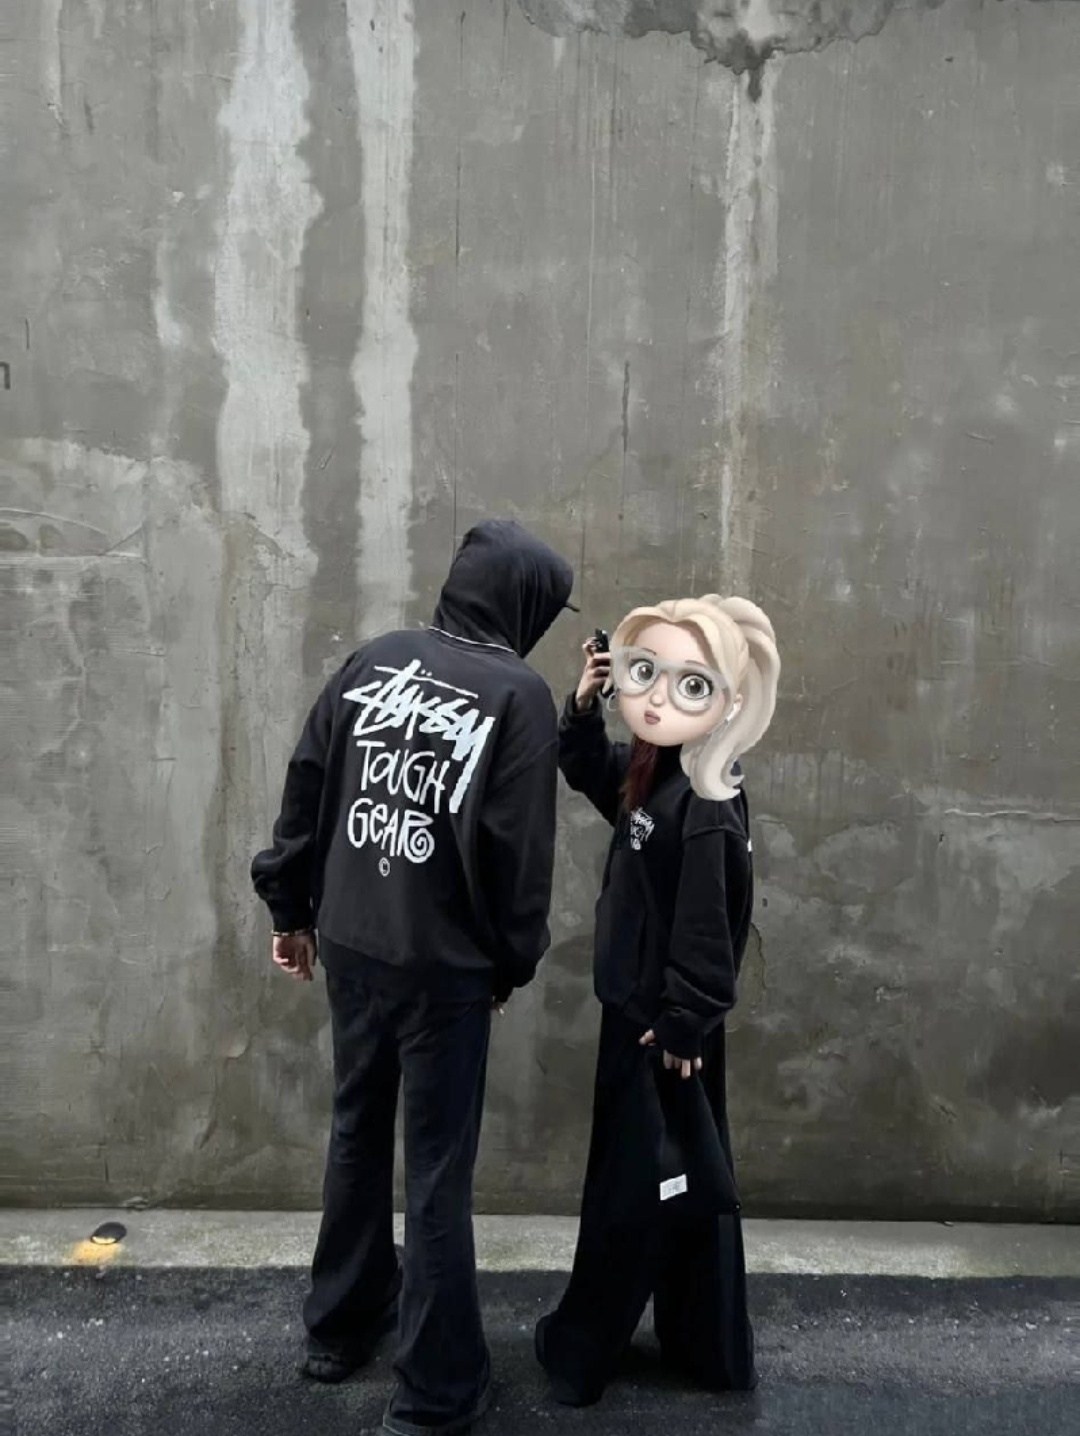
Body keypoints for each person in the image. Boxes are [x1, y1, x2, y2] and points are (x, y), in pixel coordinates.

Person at [251, 519, 574, 1436]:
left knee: (357, 1133)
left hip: (353, 944)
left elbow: (308, 778)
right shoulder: (519, 696)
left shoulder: (377, 658)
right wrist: (510, 962)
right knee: (436, 1170)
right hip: (445, 972)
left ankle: (338, 1328)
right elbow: (517, 856)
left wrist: (290, 909)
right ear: (521, 602)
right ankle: (435, 1391)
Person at [535, 595, 780, 1406]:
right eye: (646, 674)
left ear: (729, 703)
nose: (657, 698)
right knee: (678, 1186)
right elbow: (591, 771)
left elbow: (712, 925)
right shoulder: (660, 771)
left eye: (689, 685)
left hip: (662, 1032)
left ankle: (582, 1353)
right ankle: (705, 1349)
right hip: (644, 1017)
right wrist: (584, 704)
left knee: (633, 1197)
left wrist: (683, 1024)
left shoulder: (706, 800)